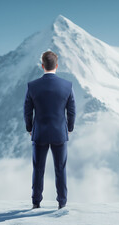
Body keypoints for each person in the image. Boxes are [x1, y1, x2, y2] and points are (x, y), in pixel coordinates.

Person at [23, 50, 76, 210]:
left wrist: (30, 128)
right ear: (57, 66)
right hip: (60, 133)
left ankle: (36, 201)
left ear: (42, 66)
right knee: (60, 169)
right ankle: (62, 202)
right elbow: (72, 110)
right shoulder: (67, 86)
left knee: (38, 169)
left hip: (39, 133)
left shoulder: (32, 86)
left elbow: (27, 110)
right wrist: (69, 128)